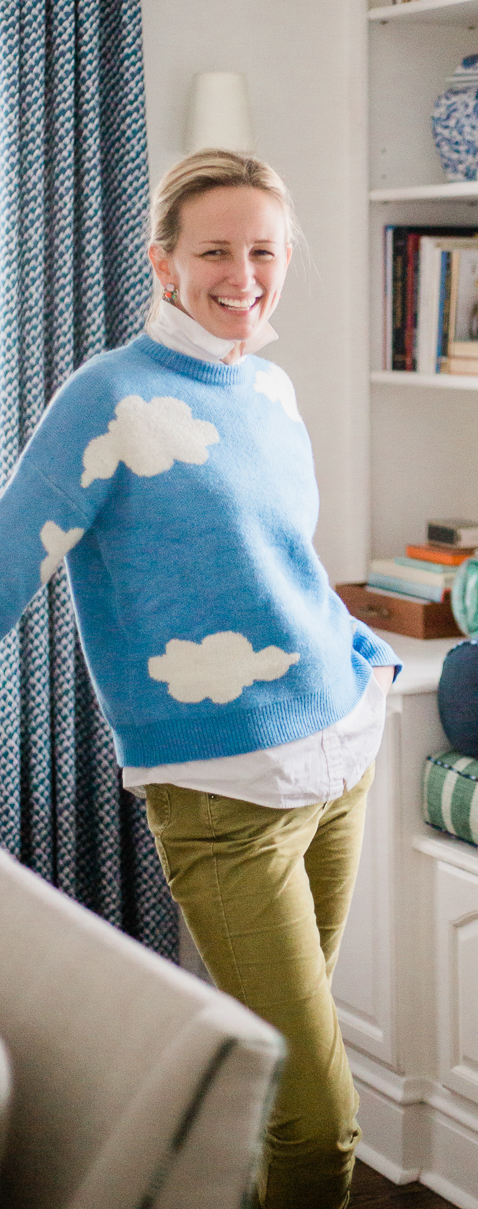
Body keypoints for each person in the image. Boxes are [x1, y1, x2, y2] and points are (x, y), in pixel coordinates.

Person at [0, 149, 399, 1209]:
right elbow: (8, 558)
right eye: (215, 249)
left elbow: (281, 561)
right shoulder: (111, 397)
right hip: (222, 800)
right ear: (164, 260)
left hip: (340, 752)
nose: (244, 274)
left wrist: (365, 659)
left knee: (284, 1103)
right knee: (320, 1123)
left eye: (263, 250)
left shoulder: (268, 383)